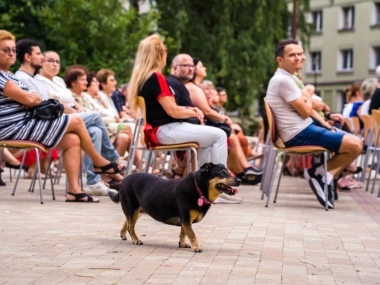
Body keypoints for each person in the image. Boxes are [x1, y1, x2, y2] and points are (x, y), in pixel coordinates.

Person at [0, 29, 124, 202]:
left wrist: (29, 99)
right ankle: (99, 162)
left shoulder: (11, 76)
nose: (11, 53)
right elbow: (30, 97)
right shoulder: (2, 77)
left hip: (26, 122)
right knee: (78, 120)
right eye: (6, 50)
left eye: (13, 49)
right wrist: (28, 99)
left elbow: (34, 98)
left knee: (73, 139)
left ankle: (74, 190)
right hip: (14, 127)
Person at [266, 39, 363, 209]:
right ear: (280, 60)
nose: (298, 58)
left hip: (303, 128)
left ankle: (326, 176)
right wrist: (308, 101)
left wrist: (324, 119)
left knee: (345, 133)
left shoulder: (290, 78)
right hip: (298, 134)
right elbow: (305, 111)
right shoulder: (284, 81)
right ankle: (320, 174)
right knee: (355, 145)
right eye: (292, 55)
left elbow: (308, 108)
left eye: (300, 54)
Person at [128, 35, 228, 182]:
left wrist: (189, 109)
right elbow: (173, 111)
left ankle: (204, 186)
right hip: (165, 129)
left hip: (158, 130)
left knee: (208, 141)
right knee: (220, 135)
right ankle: (219, 185)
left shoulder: (142, 78)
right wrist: (193, 111)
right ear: (160, 54)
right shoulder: (157, 77)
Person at [37, 52, 125, 195]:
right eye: (51, 61)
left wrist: (74, 106)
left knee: (96, 131)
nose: (55, 64)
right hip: (58, 121)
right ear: (41, 62)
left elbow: (69, 100)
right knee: (96, 116)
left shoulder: (59, 81)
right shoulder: (38, 81)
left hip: (72, 117)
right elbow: (51, 104)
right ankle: (112, 157)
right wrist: (71, 108)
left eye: (58, 61)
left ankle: (93, 182)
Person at [185, 57, 262, 183]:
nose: (205, 68)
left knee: (229, 135)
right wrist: (225, 119)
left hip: (198, 125)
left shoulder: (196, 87)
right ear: (194, 69)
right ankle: (222, 178)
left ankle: (237, 172)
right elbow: (207, 111)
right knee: (225, 136)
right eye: (201, 66)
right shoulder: (193, 88)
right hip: (197, 126)